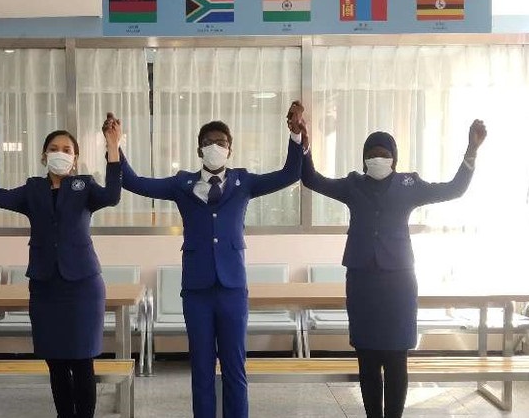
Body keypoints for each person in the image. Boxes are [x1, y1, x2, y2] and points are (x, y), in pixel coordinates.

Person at [112, 104, 306, 418]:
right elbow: (135, 182)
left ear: (230, 149)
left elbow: (290, 174)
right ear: (199, 149)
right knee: (201, 369)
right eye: (208, 142)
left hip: (232, 289)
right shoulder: (181, 184)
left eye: (221, 142)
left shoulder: (244, 181)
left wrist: (296, 137)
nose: (215, 147)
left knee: (235, 368)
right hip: (197, 290)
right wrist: (115, 146)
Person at [300, 120, 487, 418]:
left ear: (394, 159)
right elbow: (312, 180)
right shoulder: (353, 185)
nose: (377, 158)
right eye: (371, 153)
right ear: (364, 159)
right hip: (362, 280)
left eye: (383, 153)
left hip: (399, 282)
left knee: (397, 358)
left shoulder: (409, 185)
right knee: (367, 358)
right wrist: (303, 143)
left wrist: (471, 151)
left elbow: (453, 189)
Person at [0, 116, 122, 418]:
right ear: (43, 156)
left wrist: (113, 145)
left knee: (82, 360)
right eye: (54, 148)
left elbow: (112, 196)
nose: (60, 153)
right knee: (55, 361)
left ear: (75, 158)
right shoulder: (33, 189)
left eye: (67, 149)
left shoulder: (85, 185)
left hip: (82, 286)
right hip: (45, 286)